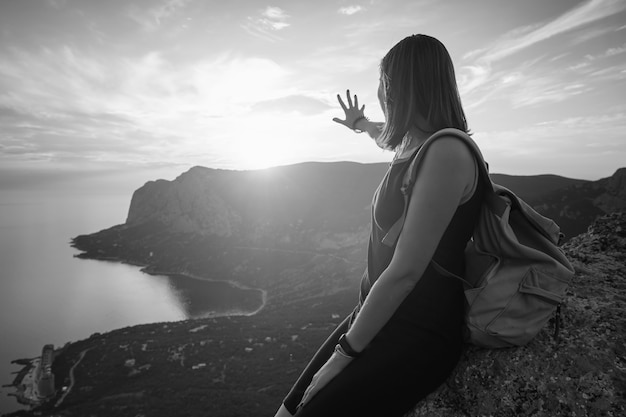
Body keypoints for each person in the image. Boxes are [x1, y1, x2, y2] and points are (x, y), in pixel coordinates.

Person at [274, 34, 484, 417]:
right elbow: (385, 138)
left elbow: (405, 273)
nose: (381, 91)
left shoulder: (446, 153)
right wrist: (360, 124)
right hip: (378, 313)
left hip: (415, 332)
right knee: (288, 413)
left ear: (399, 86)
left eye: (384, 82)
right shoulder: (414, 143)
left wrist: (344, 356)